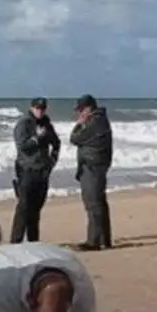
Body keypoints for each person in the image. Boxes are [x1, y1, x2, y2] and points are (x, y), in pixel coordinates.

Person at [9, 97, 61, 243]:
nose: (40, 111)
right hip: (26, 170)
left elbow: (56, 143)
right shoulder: (23, 123)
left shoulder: (46, 123)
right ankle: (15, 242)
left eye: (43, 108)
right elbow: (22, 146)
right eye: (38, 108)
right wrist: (36, 138)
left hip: (43, 171)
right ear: (32, 107)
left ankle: (33, 241)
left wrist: (52, 161)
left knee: (36, 209)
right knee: (23, 208)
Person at [69, 94, 113, 251]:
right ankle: (104, 239)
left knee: (93, 204)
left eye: (81, 110)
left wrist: (78, 124)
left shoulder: (94, 122)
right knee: (99, 203)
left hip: (92, 166)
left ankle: (94, 241)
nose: (79, 114)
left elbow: (74, 138)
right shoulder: (100, 120)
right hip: (96, 165)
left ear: (88, 108)